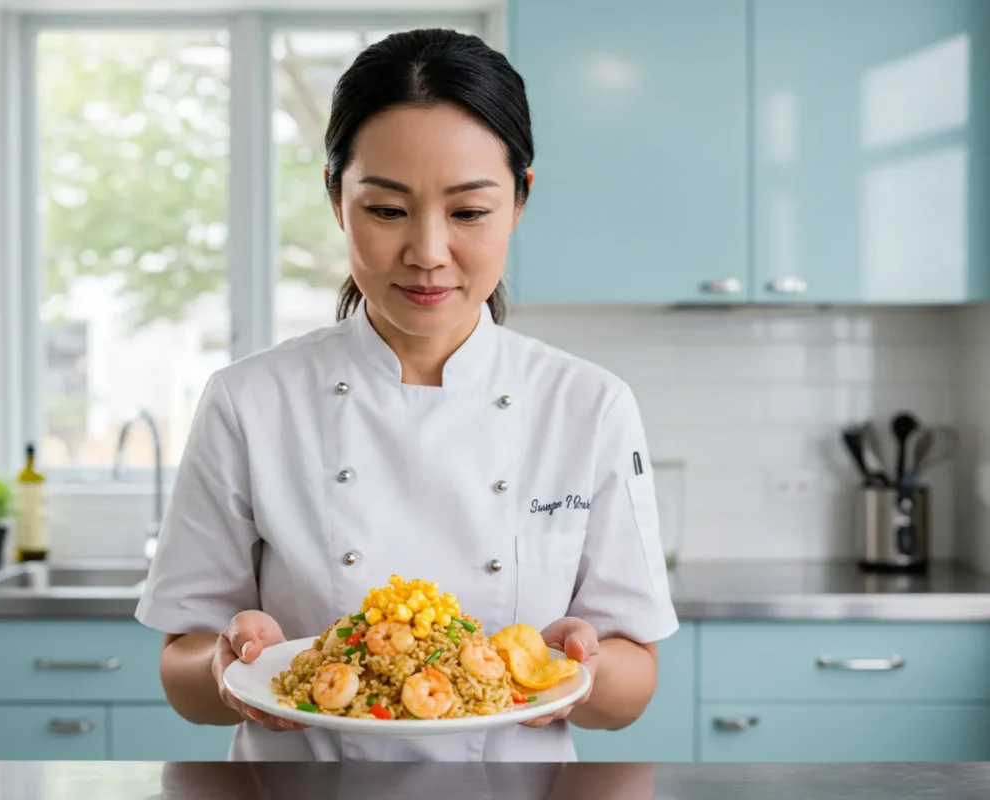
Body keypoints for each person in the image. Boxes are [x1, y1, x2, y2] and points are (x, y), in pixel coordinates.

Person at [135, 27, 678, 762]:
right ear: (335, 197)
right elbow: (183, 671)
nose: (427, 252)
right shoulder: (248, 401)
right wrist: (225, 669)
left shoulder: (587, 405)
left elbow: (629, 687)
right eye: (387, 210)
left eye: (468, 212)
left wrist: (584, 666)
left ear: (520, 199)